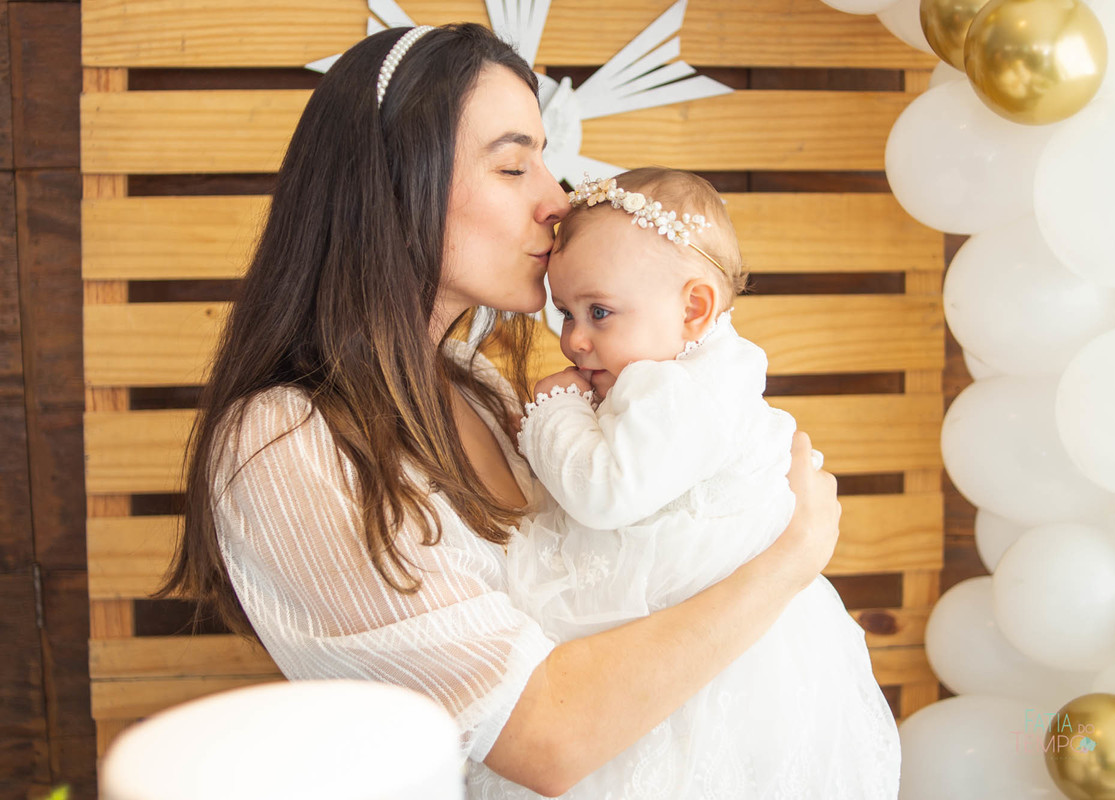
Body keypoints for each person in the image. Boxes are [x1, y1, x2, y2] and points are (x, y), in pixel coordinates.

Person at [161, 23, 844, 798]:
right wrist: (788, 559)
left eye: (544, 162)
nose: (556, 201)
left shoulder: (470, 380)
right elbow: (542, 738)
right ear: (393, 183)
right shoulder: (286, 441)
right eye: (514, 164)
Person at [502, 168, 901, 798]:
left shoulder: (680, 392)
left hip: (716, 654)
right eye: (566, 313)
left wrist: (555, 413)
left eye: (599, 311)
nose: (574, 340)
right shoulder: (687, 373)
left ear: (693, 309)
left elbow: (606, 493)